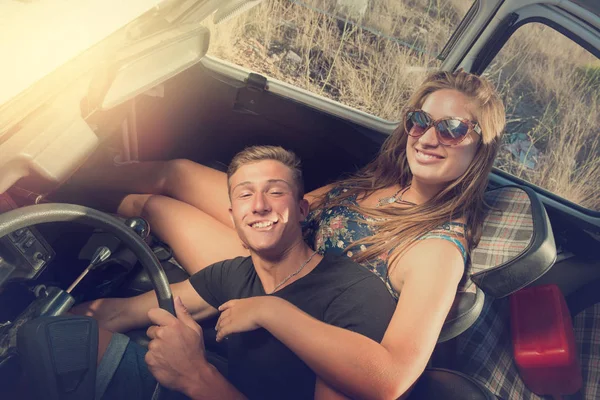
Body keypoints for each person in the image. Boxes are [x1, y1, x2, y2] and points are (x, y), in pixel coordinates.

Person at [72, 70, 506, 399]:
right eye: (419, 121)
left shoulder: (437, 250)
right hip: (283, 245)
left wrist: (271, 309)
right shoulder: (388, 180)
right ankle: (55, 181)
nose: (429, 137)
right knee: (176, 172)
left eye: (451, 129)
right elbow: (304, 205)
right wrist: (265, 213)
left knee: (155, 206)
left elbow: (390, 378)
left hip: (289, 292)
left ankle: (85, 214)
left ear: (480, 144)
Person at [86, 146, 397, 400]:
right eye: (245, 195)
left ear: (303, 210)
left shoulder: (355, 296)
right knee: (69, 339)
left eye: (275, 192)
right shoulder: (233, 275)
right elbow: (116, 314)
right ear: (233, 216)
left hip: (201, 385)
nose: (259, 205)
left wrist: (197, 376)